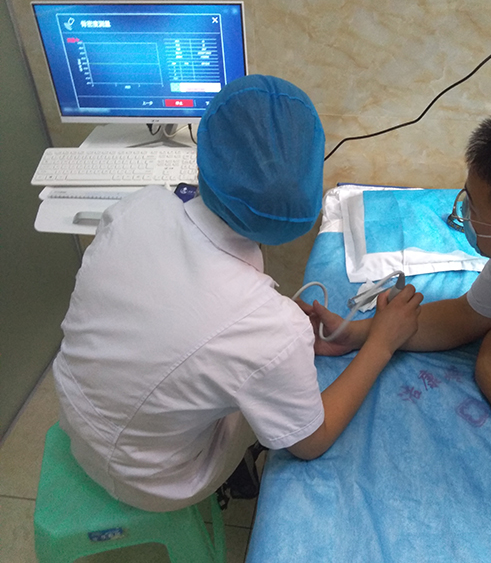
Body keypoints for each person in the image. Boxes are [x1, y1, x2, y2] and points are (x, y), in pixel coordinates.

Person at [53, 74, 423, 512]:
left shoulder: (141, 206)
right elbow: (311, 442)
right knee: (268, 404)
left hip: (74, 411)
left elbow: (167, 313)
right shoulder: (270, 327)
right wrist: (380, 343)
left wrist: (276, 343)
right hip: (147, 478)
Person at [307, 103, 491, 499]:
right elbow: (464, 315)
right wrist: (356, 334)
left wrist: (490, 374)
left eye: (472, 207)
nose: (460, 212)